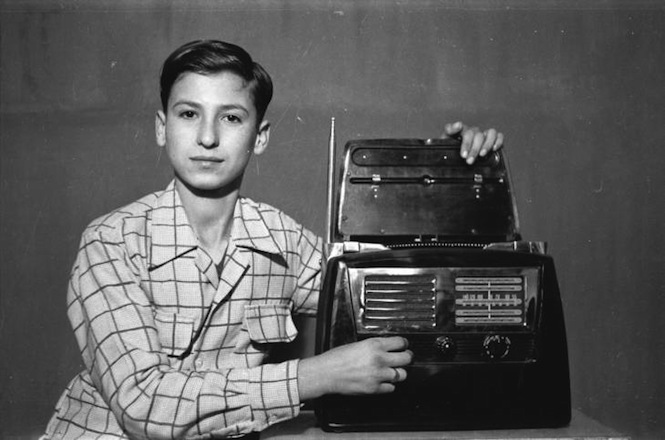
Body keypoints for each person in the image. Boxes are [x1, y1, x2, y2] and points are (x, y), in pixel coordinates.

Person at [43, 39, 504, 439]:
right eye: (189, 114)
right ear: (162, 127)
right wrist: (312, 377)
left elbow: (401, 290)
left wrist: (459, 182)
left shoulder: (280, 239)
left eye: (231, 118)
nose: (207, 137)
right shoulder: (111, 242)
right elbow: (143, 405)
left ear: (259, 136)